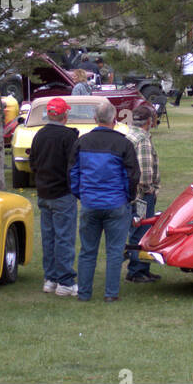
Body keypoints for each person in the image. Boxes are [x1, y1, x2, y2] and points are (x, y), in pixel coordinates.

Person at [68, 102, 140, 302]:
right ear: (114, 119)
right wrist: (128, 197)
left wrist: (81, 194)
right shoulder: (123, 143)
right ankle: (110, 294)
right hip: (116, 203)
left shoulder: (82, 141)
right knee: (115, 251)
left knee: (87, 250)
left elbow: (73, 173)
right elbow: (133, 175)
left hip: (91, 202)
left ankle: (84, 293)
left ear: (95, 119)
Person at [29, 97, 79, 297]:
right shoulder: (69, 137)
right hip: (62, 193)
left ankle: (50, 279)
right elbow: (73, 166)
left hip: (44, 192)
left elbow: (33, 163)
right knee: (64, 238)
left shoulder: (39, 135)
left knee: (49, 237)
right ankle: (65, 281)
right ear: (64, 115)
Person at [124, 104, 161, 283]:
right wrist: (150, 191)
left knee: (135, 230)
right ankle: (137, 270)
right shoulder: (143, 140)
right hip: (141, 196)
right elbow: (145, 175)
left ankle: (141, 269)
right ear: (148, 121)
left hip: (129, 193)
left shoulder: (128, 135)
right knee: (142, 232)